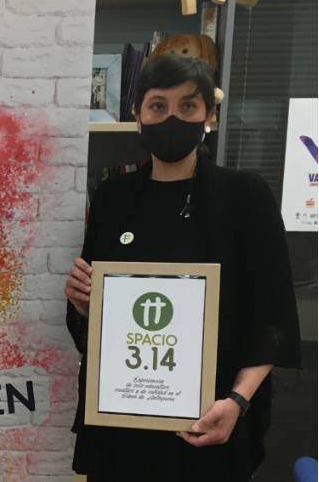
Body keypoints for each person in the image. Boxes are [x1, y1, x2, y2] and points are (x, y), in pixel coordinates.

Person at [65, 55, 301, 481]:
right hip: (124, 424)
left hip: (209, 418)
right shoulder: (113, 198)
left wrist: (237, 401)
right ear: (138, 115)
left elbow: (274, 317)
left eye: (188, 106)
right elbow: (94, 317)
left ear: (209, 115)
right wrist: (85, 304)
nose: (172, 118)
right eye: (158, 106)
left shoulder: (245, 196)